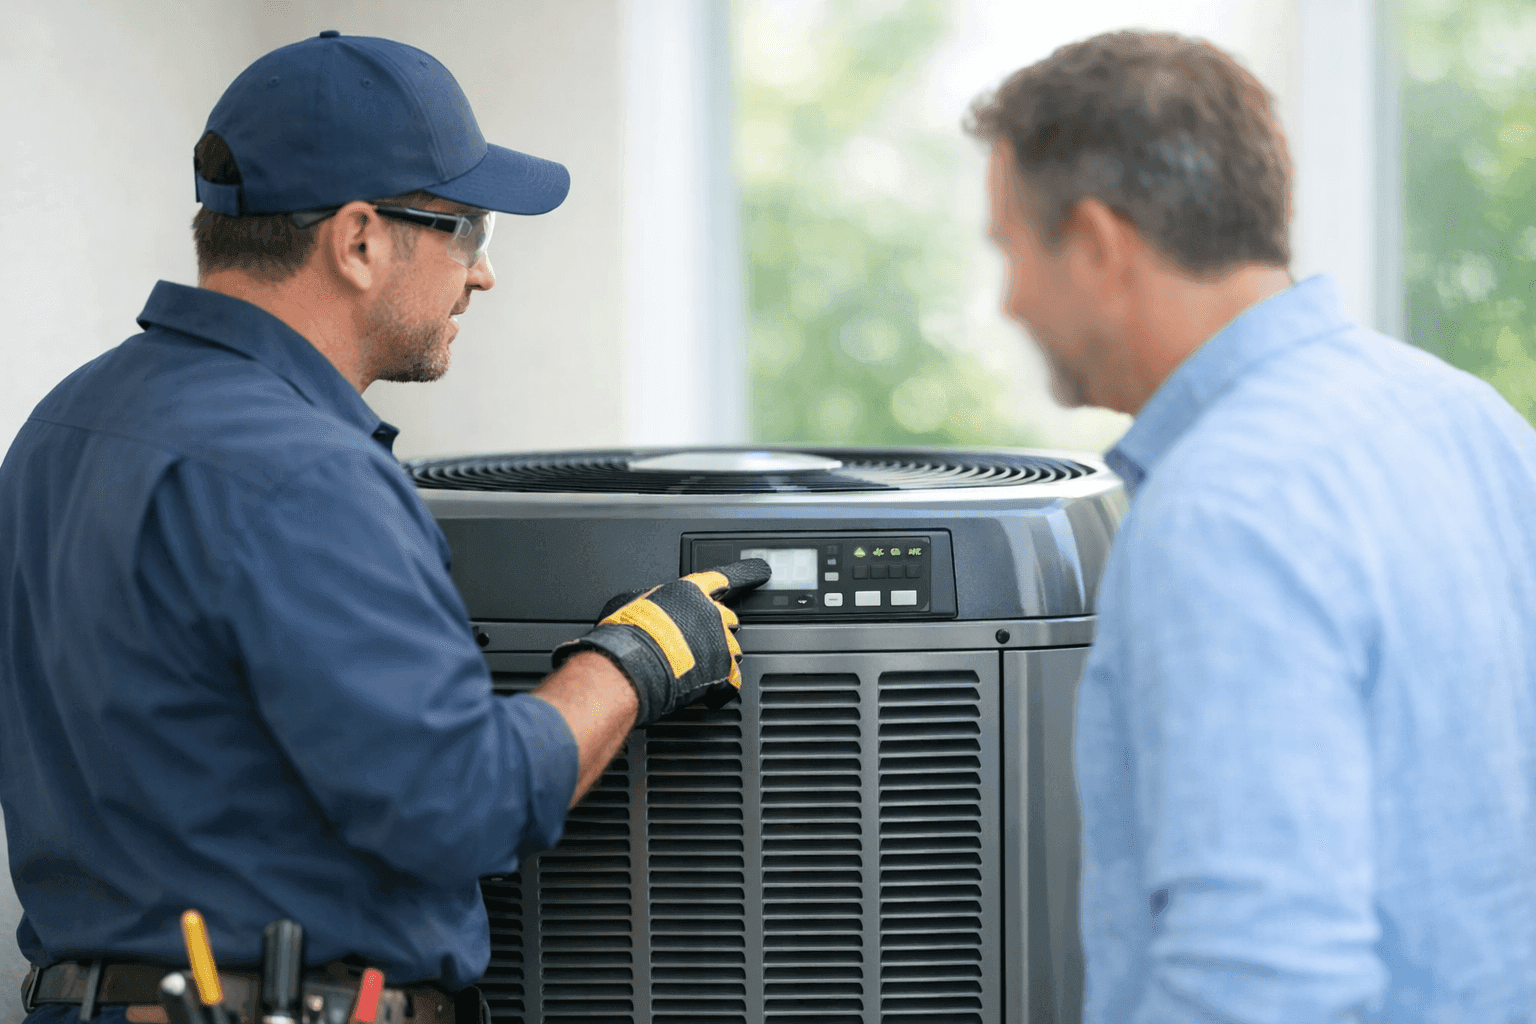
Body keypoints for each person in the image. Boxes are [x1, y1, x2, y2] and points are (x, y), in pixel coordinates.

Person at [0, 31, 766, 1024]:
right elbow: (460, 802)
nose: (481, 274)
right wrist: (630, 660)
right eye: (469, 230)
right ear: (359, 239)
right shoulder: (304, 470)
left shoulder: (62, 427)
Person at [970, 30, 1536, 1024]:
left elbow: (1262, 983)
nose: (1011, 299)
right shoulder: (1475, 422)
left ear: (1100, 245)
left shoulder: (1222, 508)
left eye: (1012, 250)